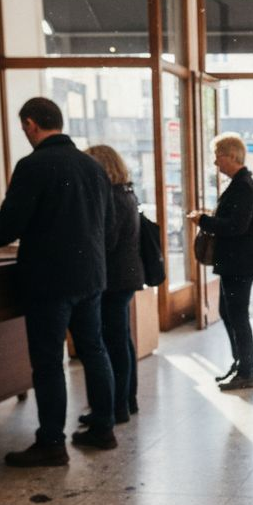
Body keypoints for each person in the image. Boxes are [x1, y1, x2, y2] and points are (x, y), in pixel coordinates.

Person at [0, 97, 117, 465]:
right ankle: (103, 428)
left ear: (29, 124)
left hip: (48, 280)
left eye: (23, 127)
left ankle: (51, 443)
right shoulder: (93, 166)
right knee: (95, 349)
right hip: (91, 275)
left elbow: (8, 226)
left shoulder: (32, 165)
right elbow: (109, 228)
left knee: (47, 361)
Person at [188, 133, 253, 391]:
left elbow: (236, 226)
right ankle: (240, 364)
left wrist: (204, 221)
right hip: (237, 263)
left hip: (240, 264)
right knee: (228, 313)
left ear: (231, 155)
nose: (215, 163)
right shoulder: (240, 184)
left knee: (238, 317)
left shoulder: (242, 186)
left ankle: (246, 371)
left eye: (217, 156)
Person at [82, 145, 143, 429]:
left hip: (114, 278)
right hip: (126, 276)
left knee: (114, 341)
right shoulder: (126, 192)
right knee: (121, 340)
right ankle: (127, 400)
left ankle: (118, 405)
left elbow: (107, 241)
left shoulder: (112, 198)